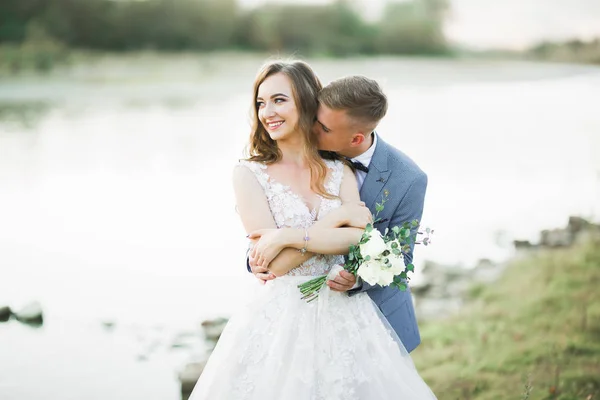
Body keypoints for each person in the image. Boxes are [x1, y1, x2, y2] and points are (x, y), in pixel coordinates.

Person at [188, 60, 436, 399]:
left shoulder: (341, 168)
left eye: (279, 100)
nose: (267, 112)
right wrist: (332, 222)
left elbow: (364, 238)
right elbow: (274, 265)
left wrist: (287, 236)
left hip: (349, 309)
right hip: (280, 316)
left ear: (306, 104)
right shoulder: (249, 173)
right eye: (261, 103)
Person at [250, 75, 427, 353]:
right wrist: (257, 256)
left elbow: (401, 259)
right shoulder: (299, 157)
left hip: (375, 315)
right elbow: (273, 218)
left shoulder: (409, 179)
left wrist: (356, 277)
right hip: (297, 309)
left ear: (355, 137)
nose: (311, 128)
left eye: (322, 127)